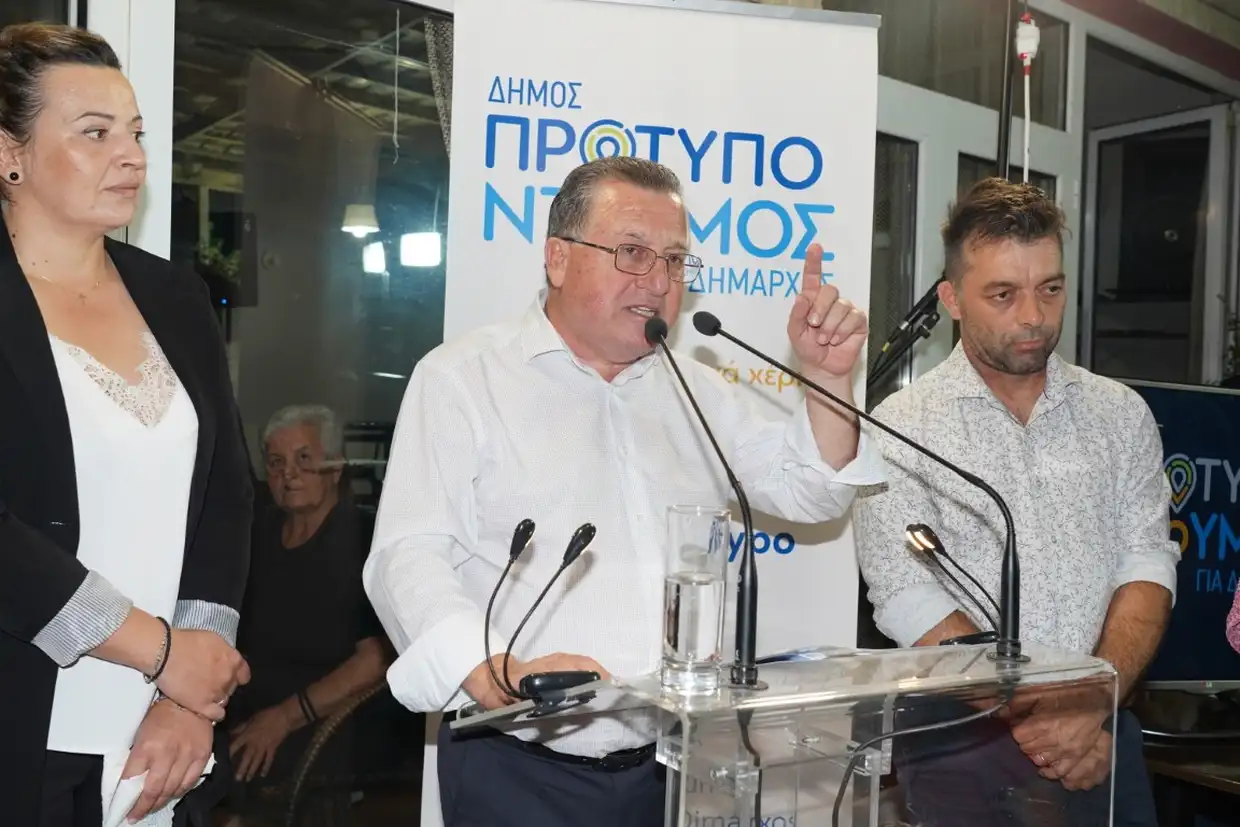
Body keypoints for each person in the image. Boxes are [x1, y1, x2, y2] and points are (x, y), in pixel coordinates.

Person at [363, 155, 884, 826]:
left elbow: (814, 491)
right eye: (633, 253)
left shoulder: (696, 389)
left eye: (675, 260)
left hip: (675, 769)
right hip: (520, 769)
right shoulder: (464, 379)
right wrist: (492, 669)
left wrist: (829, 379)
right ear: (558, 258)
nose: (659, 282)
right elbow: (407, 555)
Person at [853, 177, 1176, 826]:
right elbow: (906, 595)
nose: (1033, 315)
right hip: (959, 745)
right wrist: (1048, 715)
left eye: (1050, 289)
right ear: (951, 299)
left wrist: (1090, 704)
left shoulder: (1120, 415)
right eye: (1003, 294)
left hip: (1103, 733)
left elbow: (1147, 564)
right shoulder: (900, 426)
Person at [0, 22, 253, 827]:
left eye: (136, 133)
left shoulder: (176, 296)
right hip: (22, 719)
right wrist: (159, 650)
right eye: (95, 133)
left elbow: (225, 499)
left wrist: (191, 695)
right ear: (9, 154)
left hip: (156, 733)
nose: (132, 157)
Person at [220, 404, 388, 822]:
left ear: (335, 468)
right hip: (249, 704)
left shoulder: (363, 540)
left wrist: (282, 719)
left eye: (304, 459)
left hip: (325, 720)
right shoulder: (259, 532)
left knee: (231, 769)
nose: (288, 474)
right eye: (276, 463)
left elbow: (374, 661)